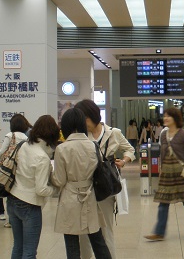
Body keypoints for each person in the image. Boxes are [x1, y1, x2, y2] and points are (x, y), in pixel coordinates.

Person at [75, 99, 135, 259]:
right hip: (85, 187)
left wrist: (123, 161)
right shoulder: (80, 135)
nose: (84, 123)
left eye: (85, 119)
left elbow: (130, 149)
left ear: (94, 116)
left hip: (105, 186)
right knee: (84, 229)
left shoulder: (113, 133)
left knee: (106, 228)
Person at [52, 108, 111, 259]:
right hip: (90, 195)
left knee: (72, 243)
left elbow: (59, 180)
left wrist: (49, 175)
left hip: (70, 199)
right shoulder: (93, 146)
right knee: (98, 240)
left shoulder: (62, 149)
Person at [145, 107, 184, 241]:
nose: (165, 118)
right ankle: (159, 232)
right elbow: (162, 153)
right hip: (167, 174)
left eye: (168, 116)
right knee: (163, 202)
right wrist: (161, 168)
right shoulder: (164, 134)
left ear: (175, 118)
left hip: (182, 173)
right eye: (164, 116)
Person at [8, 115, 59, 259]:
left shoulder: (24, 145)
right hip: (29, 205)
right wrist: (56, 189)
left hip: (12, 200)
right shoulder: (42, 158)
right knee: (29, 252)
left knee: (18, 246)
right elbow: (41, 189)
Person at [0, 114, 32, 228]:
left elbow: (1, 152)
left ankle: (12, 219)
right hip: (22, 170)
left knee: (10, 193)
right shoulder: (26, 137)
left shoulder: (10, 136)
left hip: (10, 169)